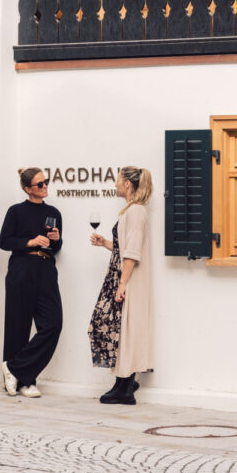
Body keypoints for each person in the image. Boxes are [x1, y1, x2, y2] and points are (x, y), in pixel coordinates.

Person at [88, 165, 152, 405]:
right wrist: (106, 242)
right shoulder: (132, 212)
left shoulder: (136, 212)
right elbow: (126, 248)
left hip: (126, 278)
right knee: (112, 327)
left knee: (122, 329)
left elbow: (132, 253)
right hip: (118, 275)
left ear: (128, 184)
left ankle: (124, 386)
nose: (115, 184)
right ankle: (124, 383)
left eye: (118, 180)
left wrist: (123, 283)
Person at [0, 166, 62, 398]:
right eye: (39, 184)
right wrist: (29, 241)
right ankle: (26, 382)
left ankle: (15, 369)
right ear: (28, 189)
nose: (45, 186)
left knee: (53, 324)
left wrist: (56, 240)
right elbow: (4, 241)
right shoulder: (15, 211)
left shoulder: (54, 212)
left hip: (46, 270)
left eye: (46, 182)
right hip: (22, 269)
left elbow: (55, 247)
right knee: (18, 325)